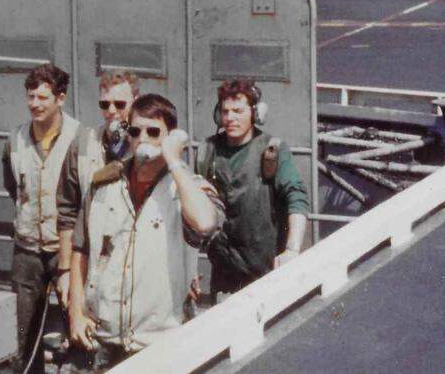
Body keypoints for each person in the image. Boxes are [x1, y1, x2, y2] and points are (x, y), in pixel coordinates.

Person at [67, 94, 224, 370]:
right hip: (104, 339)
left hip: (160, 343)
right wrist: (75, 313)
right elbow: (80, 249)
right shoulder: (103, 185)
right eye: (136, 131)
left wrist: (174, 161)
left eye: (154, 132)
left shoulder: (186, 189)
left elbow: (204, 223)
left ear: (170, 137)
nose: (143, 138)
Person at [2, 64, 96, 374]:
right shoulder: (15, 139)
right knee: (20, 334)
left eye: (43, 97)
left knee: (78, 324)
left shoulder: (82, 138)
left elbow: (89, 197)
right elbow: (12, 186)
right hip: (27, 249)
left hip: (67, 251)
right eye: (31, 97)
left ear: (60, 98)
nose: (35, 104)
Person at [196, 79, 309, 297]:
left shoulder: (271, 149)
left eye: (238, 111)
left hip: (265, 272)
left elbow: (296, 196)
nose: (230, 118)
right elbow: (193, 216)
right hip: (223, 273)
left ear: (255, 113)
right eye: (225, 111)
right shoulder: (207, 152)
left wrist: (292, 250)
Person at [55, 71, 139, 308]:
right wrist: (64, 271)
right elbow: (66, 210)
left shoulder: (146, 143)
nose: (111, 110)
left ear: (135, 99)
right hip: (89, 259)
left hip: (133, 261)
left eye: (119, 104)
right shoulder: (83, 142)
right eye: (105, 104)